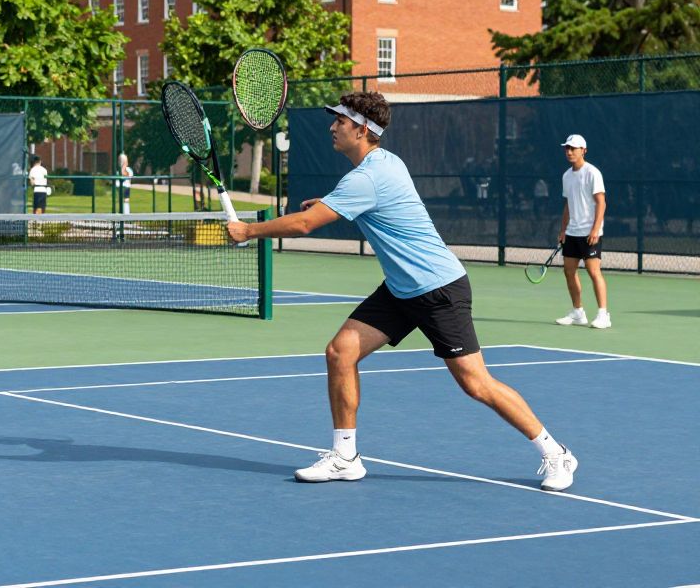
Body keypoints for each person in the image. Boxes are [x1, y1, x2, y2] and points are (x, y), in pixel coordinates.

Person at [225, 92, 577, 491]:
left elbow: (306, 225)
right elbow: (374, 203)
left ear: (361, 130)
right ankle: (345, 458)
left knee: (475, 383)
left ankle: (556, 453)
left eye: (340, 121)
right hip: (400, 289)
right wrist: (331, 201)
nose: (332, 127)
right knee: (340, 352)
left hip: (438, 288)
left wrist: (248, 231)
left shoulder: (368, 177)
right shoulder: (382, 165)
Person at [555, 134, 610, 329]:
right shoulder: (566, 175)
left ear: (583, 150)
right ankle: (578, 312)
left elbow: (601, 202)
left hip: (590, 232)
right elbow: (568, 205)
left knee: (594, 271)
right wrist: (563, 230)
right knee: (569, 271)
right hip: (572, 232)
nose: (569, 151)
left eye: (573, 148)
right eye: (567, 148)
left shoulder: (592, 173)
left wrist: (595, 229)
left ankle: (603, 314)